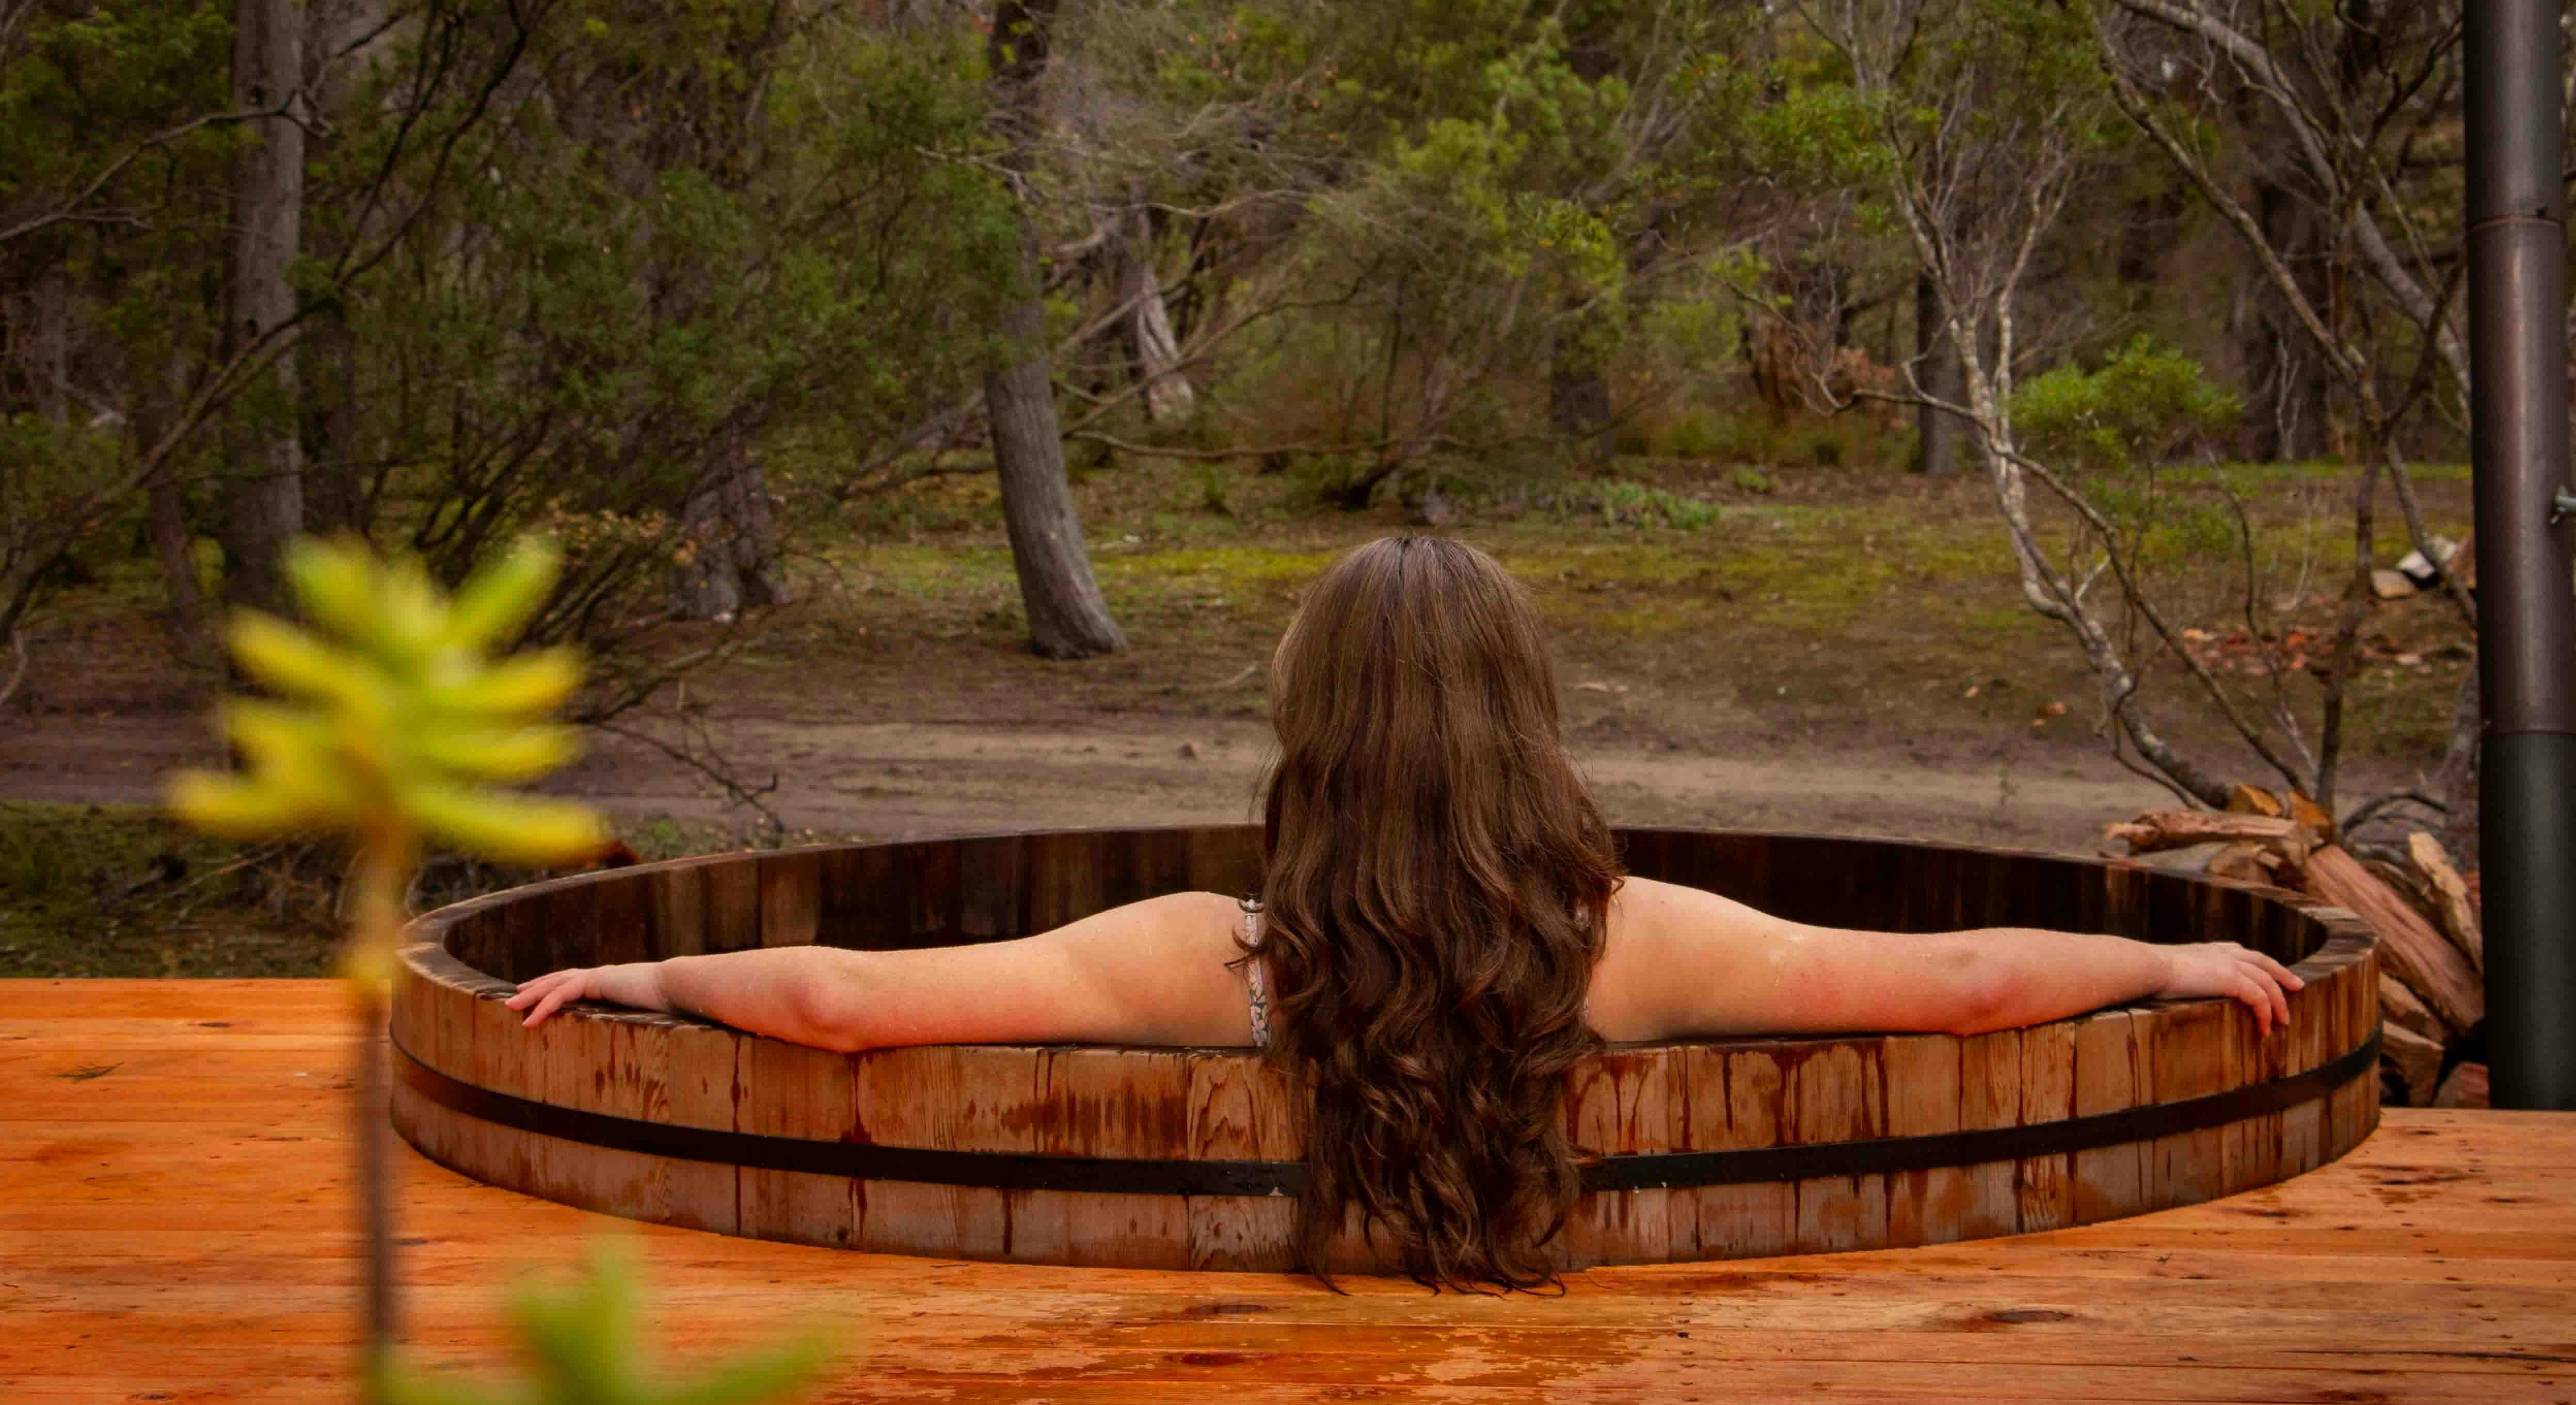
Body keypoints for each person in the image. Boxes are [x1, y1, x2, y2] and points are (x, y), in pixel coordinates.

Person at [508, 536, 2298, 1290]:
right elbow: (1972, 982)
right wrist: (2164, 954)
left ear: (1313, 720)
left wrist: (645, 966)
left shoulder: (1215, 957)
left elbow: (842, 1005)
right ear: (1523, 711)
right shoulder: (1630, 939)